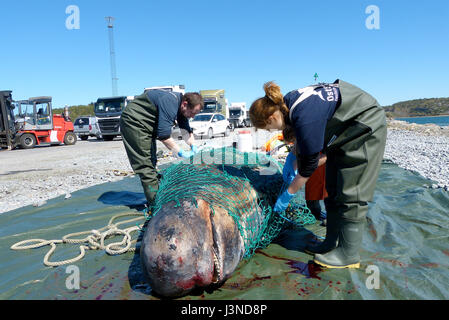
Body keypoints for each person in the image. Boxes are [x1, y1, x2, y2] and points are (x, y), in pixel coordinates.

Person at [249, 80, 387, 269]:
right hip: (343, 131)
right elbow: (304, 139)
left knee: (351, 192)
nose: (274, 131)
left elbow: (310, 166)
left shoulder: (303, 113)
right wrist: (293, 157)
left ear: (272, 117)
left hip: (364, 125)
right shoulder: (289, 103)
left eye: (269, 128)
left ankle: (349, 254)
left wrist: (288, 193)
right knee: (332, 186)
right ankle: (330, 242)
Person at [120, 89, 204, 207]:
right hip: (134, 123)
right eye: (192, 113)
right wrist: (181, 152)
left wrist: (193, 146)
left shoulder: (182, 108)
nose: (193, 116)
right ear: (185, 104)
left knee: (152, 162)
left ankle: (158, 193)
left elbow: (186, 131)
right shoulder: (170, 102)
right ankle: (156, 206)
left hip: (148, 126)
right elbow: (164, 136)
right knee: (146, 166)